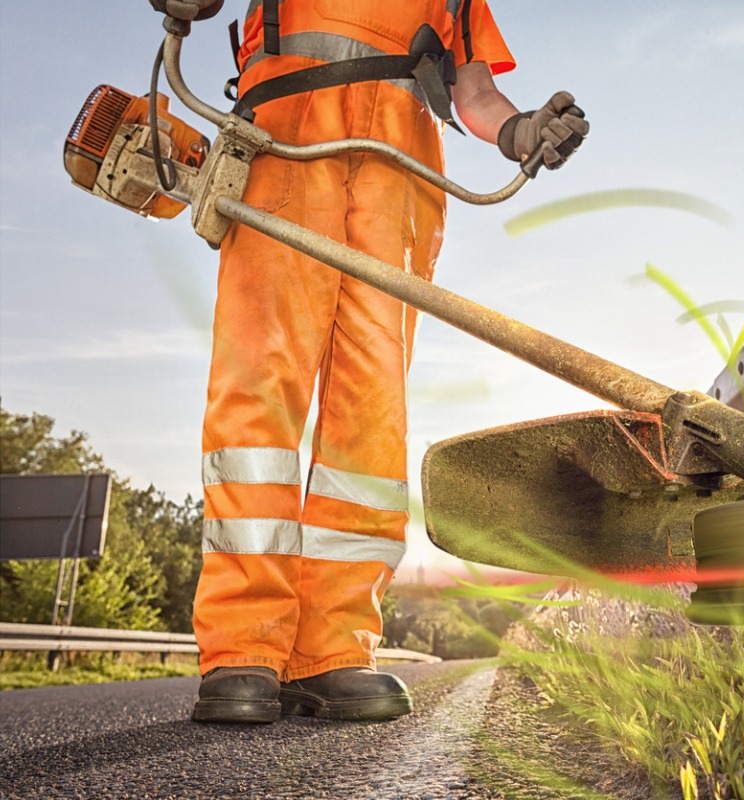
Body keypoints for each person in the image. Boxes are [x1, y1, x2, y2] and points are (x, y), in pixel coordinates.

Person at [180, 0, 587, 723]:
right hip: (284, 138)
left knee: (369, 411)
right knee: (259, 384)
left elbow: (476, 95)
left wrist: (522, 131)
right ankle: (243, 646)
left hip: (399, 170)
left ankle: (332, 650)